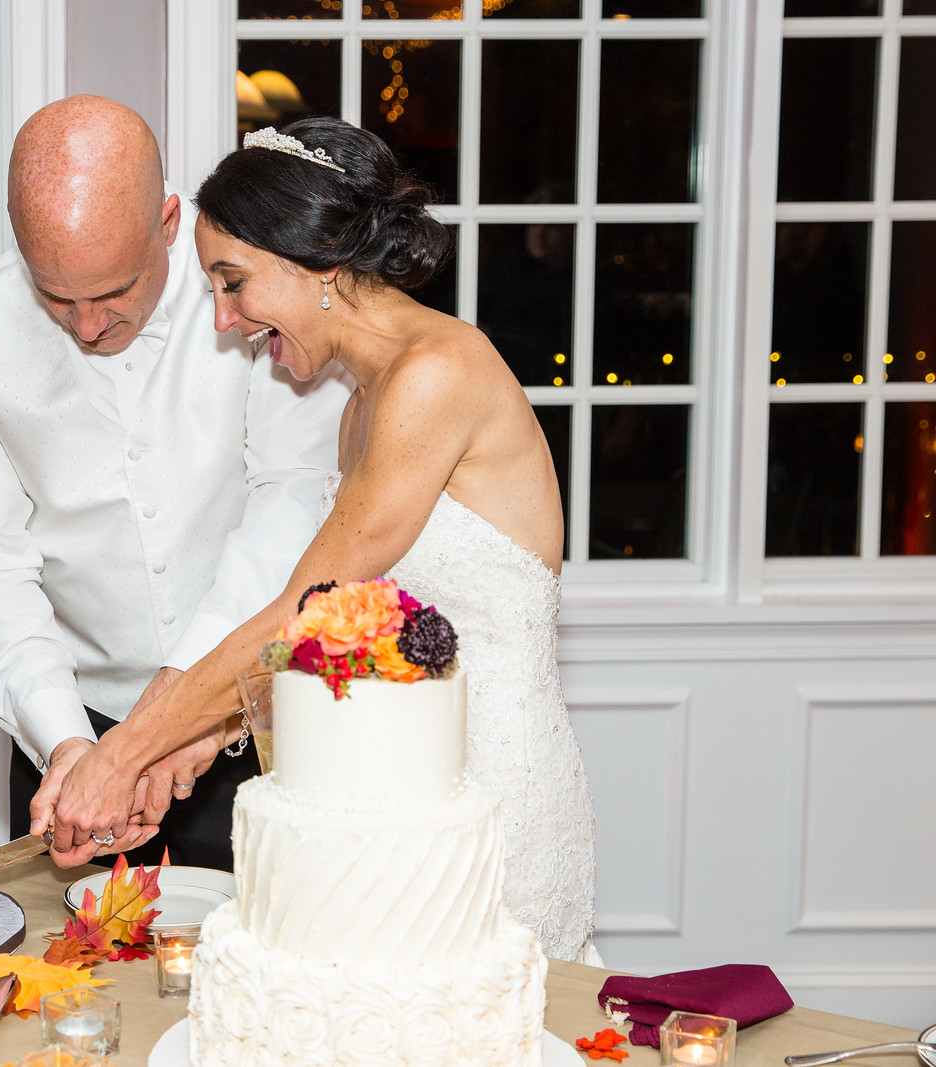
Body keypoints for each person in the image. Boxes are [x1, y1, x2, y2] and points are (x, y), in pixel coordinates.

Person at [37, 116, 599, 963]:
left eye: (233, 282)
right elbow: (335, 631)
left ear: (320, 263)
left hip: (488, 804)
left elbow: (294, 614)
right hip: (399, 792)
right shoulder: (359, 408)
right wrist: (188, 747)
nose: (223, 318)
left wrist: (123, 751)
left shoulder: (436, 375)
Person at [0, 97, 349, 871]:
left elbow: (293, 500)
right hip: (70, 743)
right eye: (54, 295)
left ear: (169, 222)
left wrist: (181, 710)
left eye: (114, 290)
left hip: (262, 719)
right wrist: (69, 743)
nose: (86, 326)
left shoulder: (253, 296)